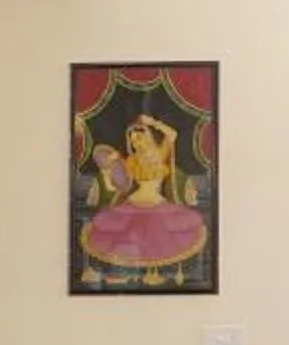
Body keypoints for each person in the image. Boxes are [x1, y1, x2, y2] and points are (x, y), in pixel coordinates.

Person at [77, 111, 208, 273]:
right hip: (134, 201)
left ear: (148, 136)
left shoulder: (160, 154)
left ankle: (153, 273)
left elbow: (172, 134)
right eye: (132, 140)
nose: (135, 143)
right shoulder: (131, 160)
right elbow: (119, 185)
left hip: (157, 202)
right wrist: (111, 165)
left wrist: (152, 122)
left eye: (138, 138)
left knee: (161, 237)